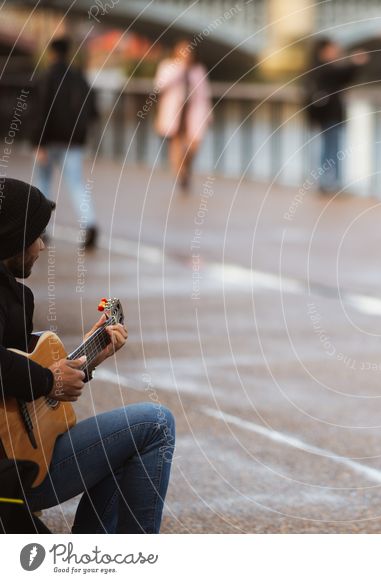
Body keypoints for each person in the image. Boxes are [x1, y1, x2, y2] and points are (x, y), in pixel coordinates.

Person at [0, 178, 175, 533]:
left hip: (22, 454)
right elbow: (32, 376)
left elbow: (26, 389)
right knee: (156, 425)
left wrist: (86, 361)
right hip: (12, 471)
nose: (41, 247)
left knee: (128, 443)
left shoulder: (18, 296)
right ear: (13, 238)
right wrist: (50, 379)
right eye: (36, 236)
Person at [32, 37, 99, 249]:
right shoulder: (79, 76)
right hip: (74, 141)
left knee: (43, 183)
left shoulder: (47, 76)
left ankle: (41, 229)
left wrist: (38, 142)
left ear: (52, 53)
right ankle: (89, 224)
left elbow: (40, 110)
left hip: (50, 139)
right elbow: (93, 110)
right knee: (76, 183)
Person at [305, 38, 368, 194]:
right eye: (333, 49)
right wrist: (356, 63)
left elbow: (343, 77)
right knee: (333, 148)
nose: (336, 52)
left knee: (329, 147)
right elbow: (344, 75)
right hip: (330, 115)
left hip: (324, 115)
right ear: (324, 50)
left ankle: (328, 181)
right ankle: (332, 181)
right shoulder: (325, 68)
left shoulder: (315, 68)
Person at [154, 39, 212, 194]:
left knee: (194, 144)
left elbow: (204, 93)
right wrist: (180, 69)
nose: (186, 55)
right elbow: (160, 85)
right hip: (175, 112)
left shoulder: (198, 70)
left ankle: (185, 168)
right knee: (176, 144)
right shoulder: (168, 67)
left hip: (193, 112)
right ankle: (181, 174)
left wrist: (209, 113)